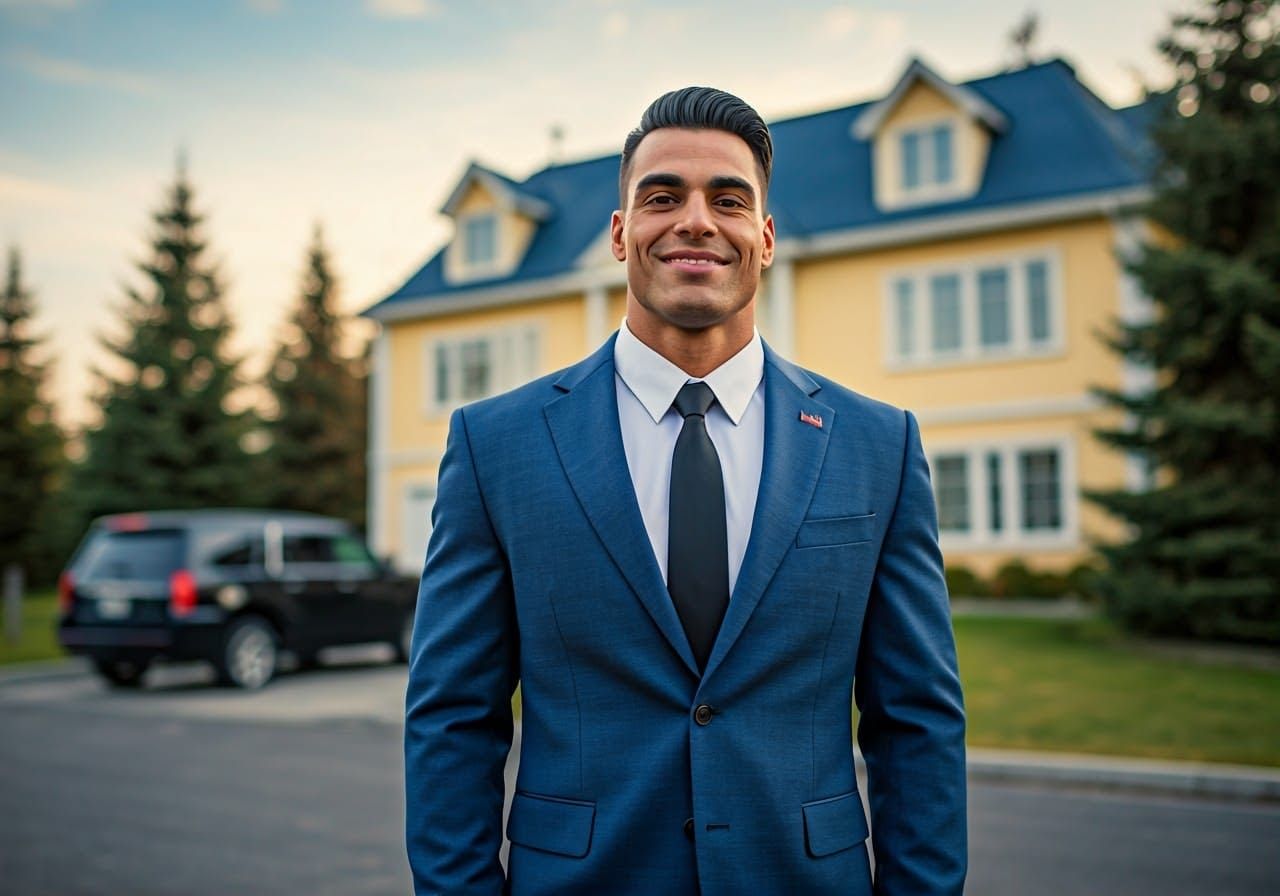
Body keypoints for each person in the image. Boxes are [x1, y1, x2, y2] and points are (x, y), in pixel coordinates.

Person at [404, 86, 966, 896]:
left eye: (728, 200)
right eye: (662, 196)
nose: (696, 220)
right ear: (620, 233)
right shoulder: (496, 447)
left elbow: (917, 720)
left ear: (765, 239)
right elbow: (452, 717)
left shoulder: (879, 445)